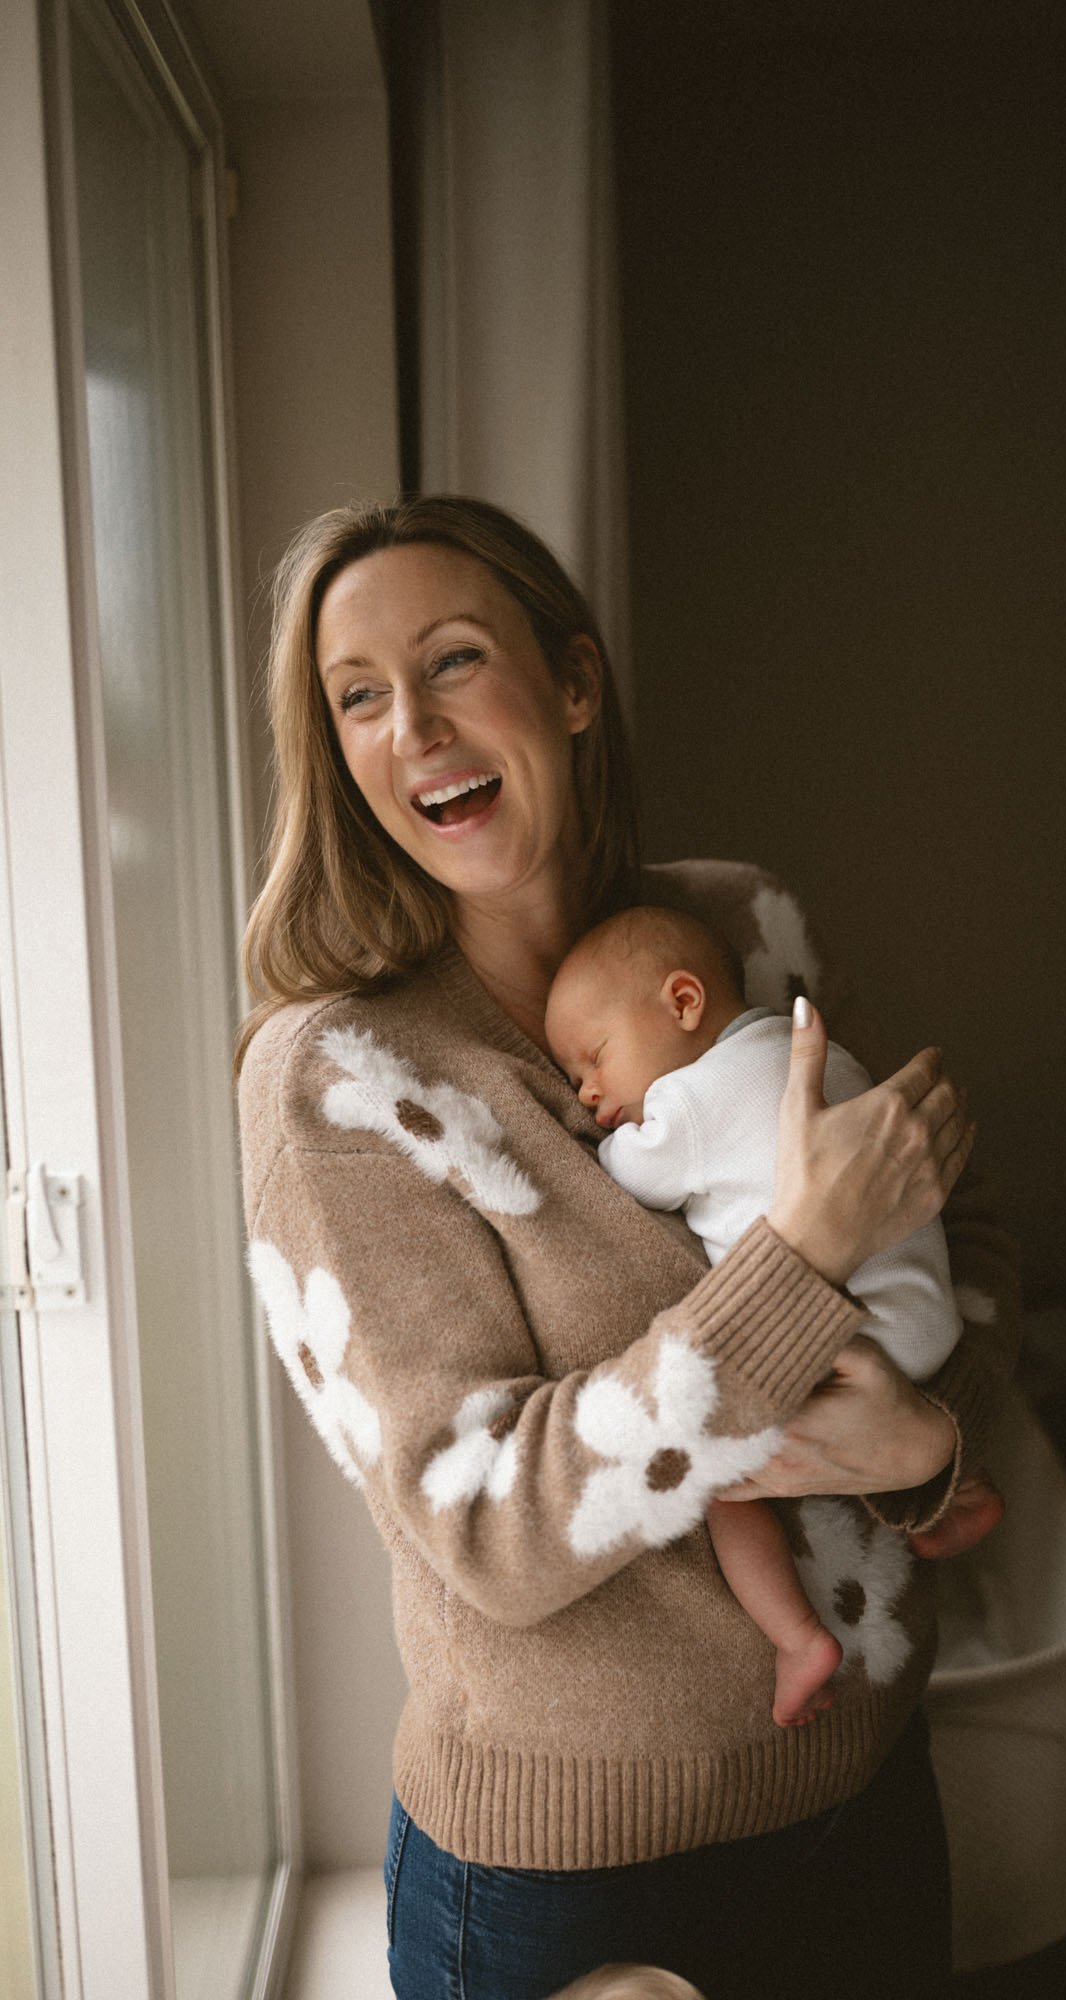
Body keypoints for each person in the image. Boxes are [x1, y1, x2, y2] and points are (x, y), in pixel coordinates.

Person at [236, 496, 1019, 2000]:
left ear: (575, 685)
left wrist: (926, 1446)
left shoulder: (743, 930)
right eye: (358, 696)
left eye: (455, 660)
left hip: (869, 1802)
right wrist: (794, 1266)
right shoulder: (335, 1081)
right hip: (574, 1891)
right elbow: (482, 1527)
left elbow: (959, 1235)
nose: (413, 726)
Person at [545, 903, 1002, 1729]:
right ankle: (961, 1490)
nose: (587, 1091)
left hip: (845, 1330)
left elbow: (627, 1175)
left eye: (594, 1058)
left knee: (718, 1477)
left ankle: (797, 1640)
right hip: (928, 1327)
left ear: (684, 1003)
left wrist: (593, 1136)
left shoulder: (688, 1103)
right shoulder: (827, 1054)